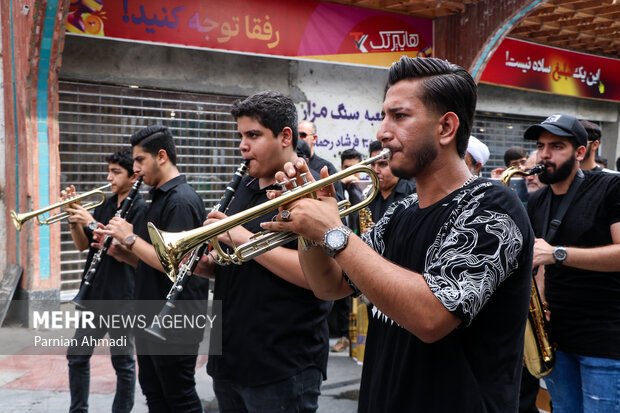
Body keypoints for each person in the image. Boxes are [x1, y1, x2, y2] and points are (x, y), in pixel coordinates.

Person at [263, 56, 534, 412]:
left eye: (400, 116)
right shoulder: (401, 211)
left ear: (446, 127)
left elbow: (432, 317)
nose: (382, 132)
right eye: (384, 116)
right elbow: (329, 285)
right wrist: (306, 224)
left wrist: (332, 231)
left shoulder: (493, 206)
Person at [194, 91, 330, 412]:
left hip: (280, 366)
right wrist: (210, 263)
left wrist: (240, 237)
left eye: (253, 135)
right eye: (241, 135)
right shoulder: (245, 183)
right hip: (229, 357)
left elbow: (316, 279)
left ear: (285, 136)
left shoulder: (314, 190)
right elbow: (244, 264)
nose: (243, 145)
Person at [101, 125, 209, 412]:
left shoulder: (181, 201)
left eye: (140, 160)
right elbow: (153, 263)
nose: (135, 169)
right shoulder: (160, 197)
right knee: (154, 393)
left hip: (177, 320)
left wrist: (130, 237)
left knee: (179, 397)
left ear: (161, 156)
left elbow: (173, 264)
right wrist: (123, 252)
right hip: (151, 315)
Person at [524, 113, 620, 413]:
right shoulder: (538, 200)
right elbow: (539, 260)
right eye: (541, 146)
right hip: (556, 339)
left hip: (605, 339)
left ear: (580, 152)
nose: (544, 155)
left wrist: (558, 253)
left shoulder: (610, 188)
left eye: (556, 146)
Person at [63, 149, 147, 413]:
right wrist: (74, 217)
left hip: (122, 297)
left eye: (115, 172)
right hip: (94, 295)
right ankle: (78, 410)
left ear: (133, 176)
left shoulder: (141, 209)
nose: (109, 177)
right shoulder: (106, 204)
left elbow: (127, 246)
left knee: (122, 363)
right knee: (76, 356)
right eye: (109, 171)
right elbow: (81, 245)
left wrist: (90, 222)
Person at [366, 139, 416, 223]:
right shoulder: (369, 195)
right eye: (372, 164)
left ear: (396, 164)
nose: (375, 170)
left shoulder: (413, 193)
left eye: (382, 164)